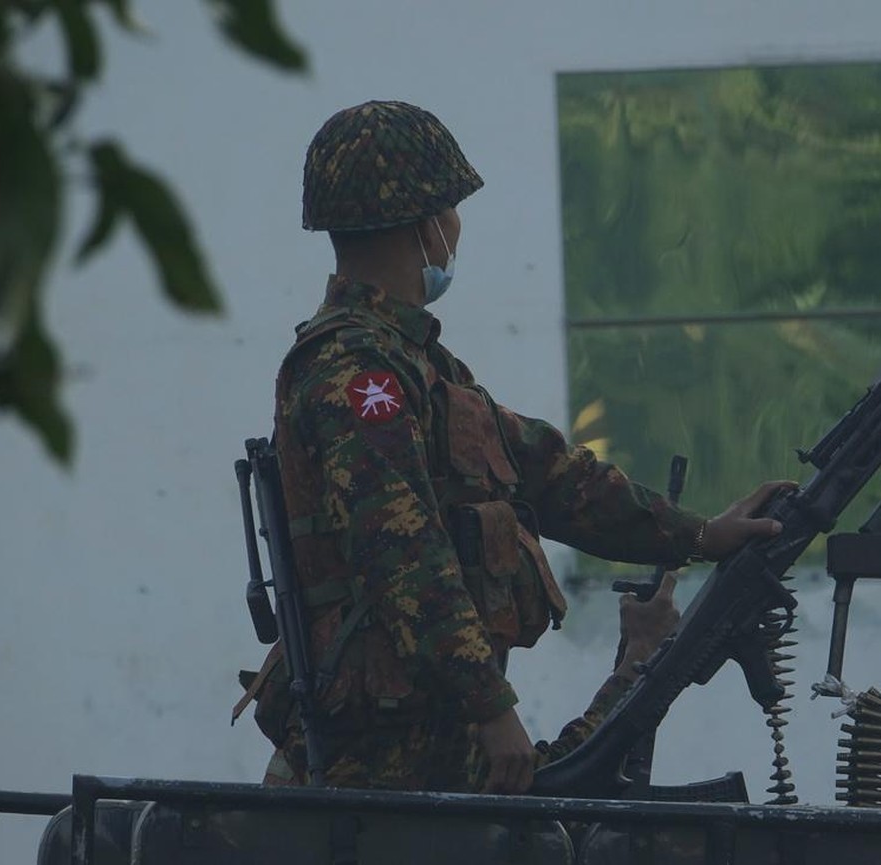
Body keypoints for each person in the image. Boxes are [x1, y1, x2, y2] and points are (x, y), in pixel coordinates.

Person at [237, 100, 791, 794]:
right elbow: (401, 549)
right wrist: (491, 707)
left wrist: (701, 534)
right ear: (425, 224)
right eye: (452, 210)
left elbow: (557, 477)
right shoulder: (354, 370)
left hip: (428, 736)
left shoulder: (422, 366)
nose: (458, 229)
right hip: (383, 761)